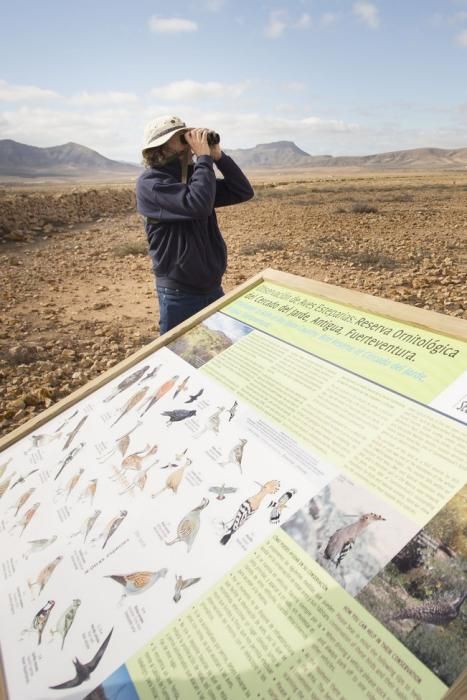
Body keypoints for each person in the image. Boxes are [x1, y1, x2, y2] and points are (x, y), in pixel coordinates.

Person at [136, 115, 254, 334]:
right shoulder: (151, 183)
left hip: (211, 286)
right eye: (181, 138)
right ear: (160, 147)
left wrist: (218, 157)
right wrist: (203, 160)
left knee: (217, 349)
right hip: (180, 292)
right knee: (178, 356)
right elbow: (197, 205)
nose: (188, 142)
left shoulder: (194, 178)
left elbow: (242, 191)